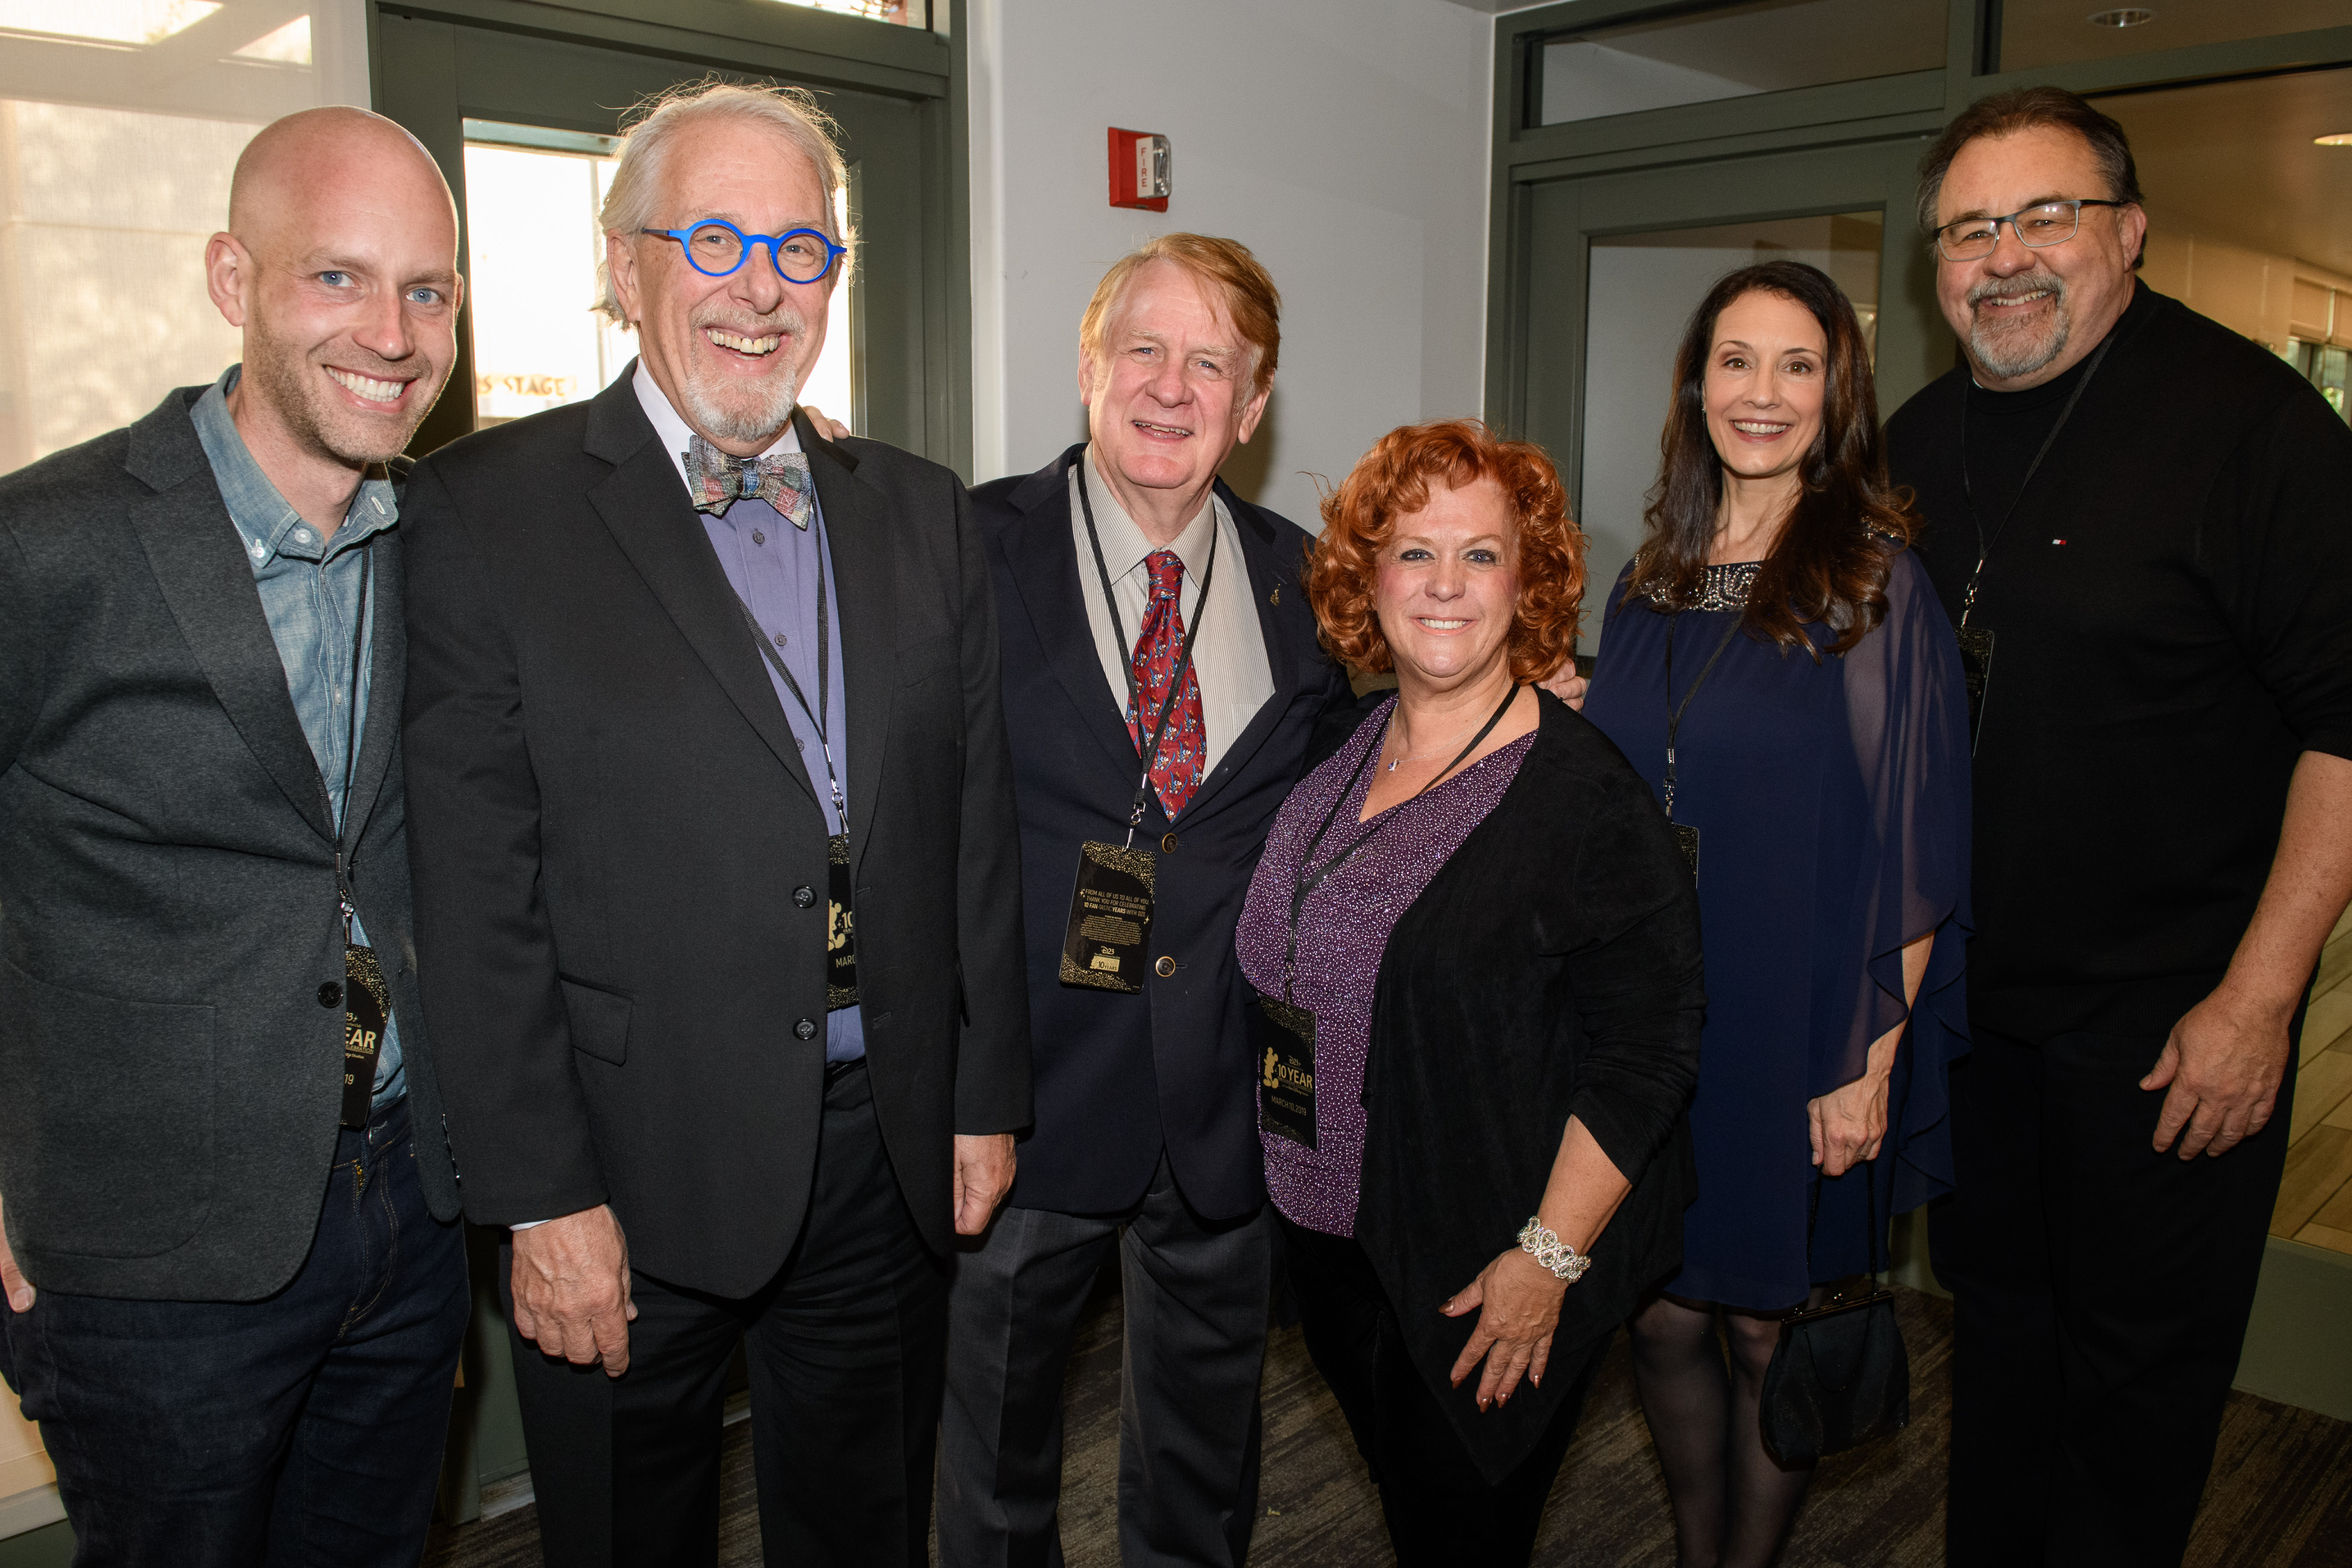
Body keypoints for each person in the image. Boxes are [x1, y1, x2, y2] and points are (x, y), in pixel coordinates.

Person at [399, 80, 1030, 1566]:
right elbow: (473, 897)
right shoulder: (486, 514)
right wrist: (544, 1196)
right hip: (626, 1173)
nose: (761, 288)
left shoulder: (922, 512)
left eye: (801, 250)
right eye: (715, 239)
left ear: (836, 279)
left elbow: (976, 831)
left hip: (884, 1157)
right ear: (625, 268)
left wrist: (985, 1087)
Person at [1882, 86, 2352, 1565]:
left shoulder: (2258, 428)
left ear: (2127, 233)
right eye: (1971, 227)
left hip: (2171, 1032)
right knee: (2000, 1355)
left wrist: (2262, 999)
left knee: (2136, 1394)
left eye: (2046, 215)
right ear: (1935, 262)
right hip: (1973, 1017)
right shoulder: (1913, 435)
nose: (2005, 256)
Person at [0, 109, 470, 1563]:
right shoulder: (47, 541)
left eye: (429, 290)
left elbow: (621, 516)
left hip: (410, 1206)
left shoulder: (448, 530)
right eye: (338, 278)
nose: (391, 334)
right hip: (151, 1254)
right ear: (232, 278)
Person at [933, 234, 1350, 1568]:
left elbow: (1368, 785)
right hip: (1022, 1098)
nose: (1173, 388)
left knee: (1204, 1459)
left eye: (1210, 362)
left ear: (1255, 401)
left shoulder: (1311, 586)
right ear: (1089, 368)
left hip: (1220, 1100)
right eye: (1145, 350)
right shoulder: (964, 551)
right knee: (994, 1458)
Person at [1234, 418, 1705, 1564]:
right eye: (1414, 551)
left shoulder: (1582, 799)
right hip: (1337, 1237)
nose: (1446, 584)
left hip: (1485, 1261)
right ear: (1367, 574)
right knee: (1418, 1516)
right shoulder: (1349, 744)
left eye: (1482, 554)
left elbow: (1649, 1050)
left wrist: (1546, 1261)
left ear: (1530, 581)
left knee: (1461, 1539)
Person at [1579, 260, 1971, 1568]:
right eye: (1735, 361)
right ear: (1697, 384)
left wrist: (1870, 1059)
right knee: (1658, 1315)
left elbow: (1917, 836)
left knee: (1763, 1324)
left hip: (1799, 1016)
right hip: (1656, 1017)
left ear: (1837, 391)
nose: (1762, 392)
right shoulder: (1648, 577)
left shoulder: (1871, 582)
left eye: (1796, 365)